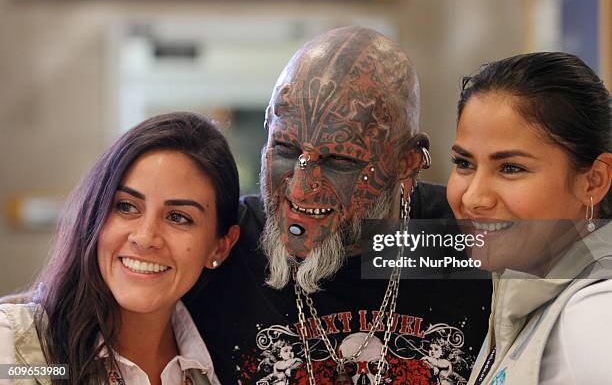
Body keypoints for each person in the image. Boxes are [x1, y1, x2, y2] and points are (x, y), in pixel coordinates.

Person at [185, 26, 492, 384]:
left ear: (406, 162)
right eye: (285, 150)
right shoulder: (225, 242)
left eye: (339, 161)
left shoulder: (466, 234)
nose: (301, 190)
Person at [0, 113, 240, 385]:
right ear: (94, 213)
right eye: (126, 206)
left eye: (178, 217)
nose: (145, 237)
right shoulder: (13, 348)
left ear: (220, 248)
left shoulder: (221, 369)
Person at [445, 52, 612, 384]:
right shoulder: (525, 289)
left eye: (510, 168)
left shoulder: (594, 315)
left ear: (593, 181)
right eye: (464, 163)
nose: (474, 198)